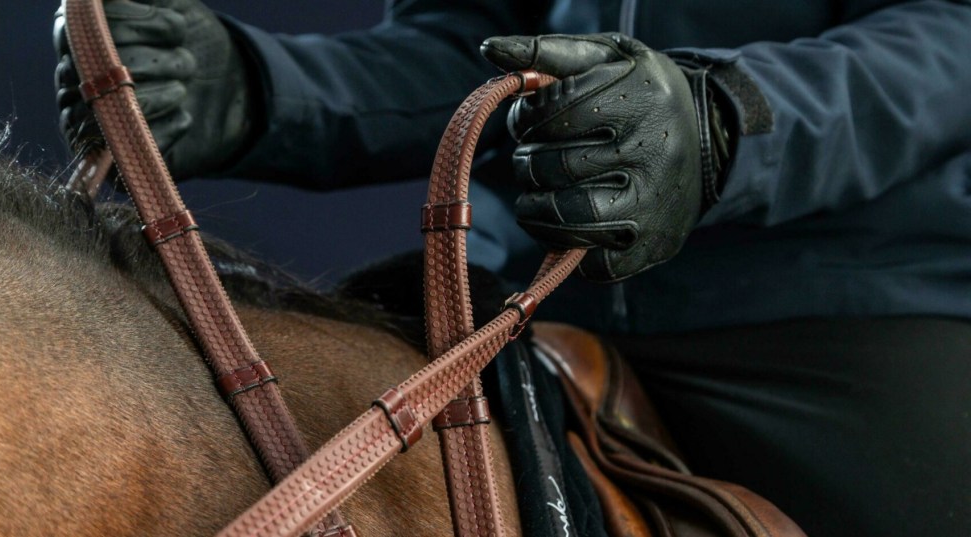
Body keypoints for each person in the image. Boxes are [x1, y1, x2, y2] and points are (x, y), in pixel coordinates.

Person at [54, 1, 971, 535]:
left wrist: (725, 120)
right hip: (527, 295)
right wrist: (263, 87)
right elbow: (477, 38)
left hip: (839, 299)